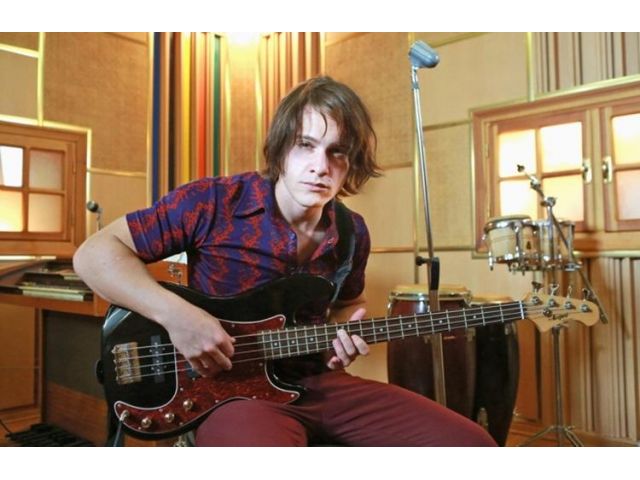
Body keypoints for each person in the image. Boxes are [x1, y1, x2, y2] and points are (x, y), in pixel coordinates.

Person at [73, 76, 496, 447]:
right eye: (305, 146)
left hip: (319, 383)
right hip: (231, 392)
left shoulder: (352, 231)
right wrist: (179, 317)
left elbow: (348, 303)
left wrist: (342, 335)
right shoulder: (214, 202)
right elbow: (94, 255)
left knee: (471, 446)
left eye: (337, 152)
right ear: (280, 151)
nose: (320, 167)